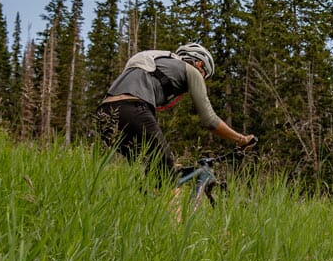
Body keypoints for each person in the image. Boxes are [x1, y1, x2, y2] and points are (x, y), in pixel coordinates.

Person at [95, 42, 255, 179]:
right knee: (169, 177)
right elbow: (209, 120)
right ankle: (175, 216)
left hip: (104, 116)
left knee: (157, 171)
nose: (202, 78)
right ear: (199, 64)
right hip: (132, 109)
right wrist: (240, 139)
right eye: (204, 74)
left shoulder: (158, 62)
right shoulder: (191, 70)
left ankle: (145, 206)